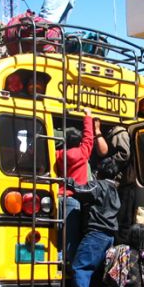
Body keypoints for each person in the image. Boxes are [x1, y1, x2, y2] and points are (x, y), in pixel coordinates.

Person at [63, 157, 120, 287]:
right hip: (109, 236)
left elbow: (83, 191)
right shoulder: (115, 190)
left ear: (98, 172)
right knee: (100, 272)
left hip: (96, 234)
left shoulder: (99, 186)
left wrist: (69, 182)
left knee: (80, 265)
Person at [55, 107, 94, 265]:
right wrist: (88, 116)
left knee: (58, 234)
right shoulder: (82, 152)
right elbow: (89, 137)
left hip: (59, 197)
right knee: (70, 236)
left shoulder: (59, 155)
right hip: (73, 199)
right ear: (79, 142)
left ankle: (57, 258)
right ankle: (67, 264)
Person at [92, 121, 135, 245]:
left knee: (122, 222)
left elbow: (124, 154)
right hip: (114, 185)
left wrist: (105, 167)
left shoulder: (119, 132)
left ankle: (120, 251)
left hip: (124, 184)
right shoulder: (110, 133)